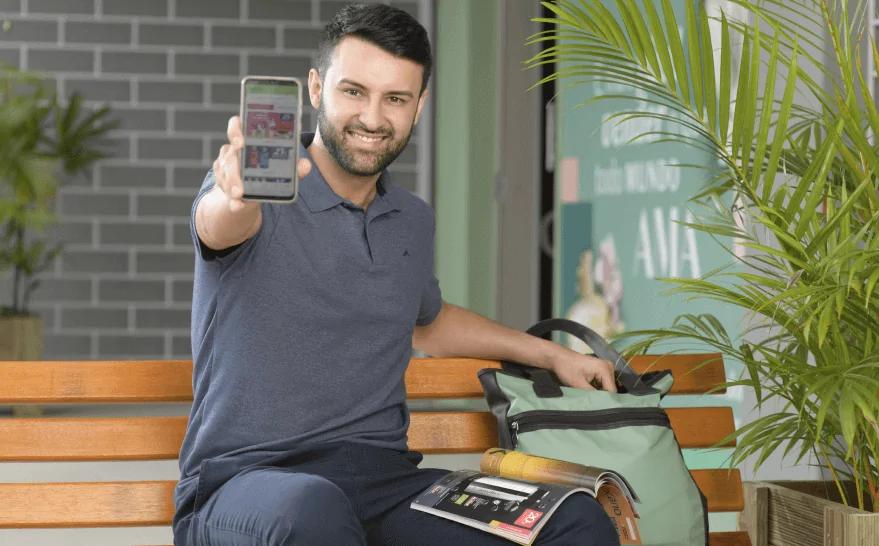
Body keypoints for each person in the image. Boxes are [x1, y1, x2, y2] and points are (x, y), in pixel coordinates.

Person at [173, 4, 621, 545]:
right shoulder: (255, 194)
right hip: (247, 488)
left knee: (573, 519)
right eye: (354, 91)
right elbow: (219, 226)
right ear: (316, 88)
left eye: (396, 98)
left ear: (419, 105)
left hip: (385, 486)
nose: (373, 117)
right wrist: (234, 194)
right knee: (312, 512)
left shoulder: (410, 219)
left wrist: (554, 354)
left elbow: (428, 323)